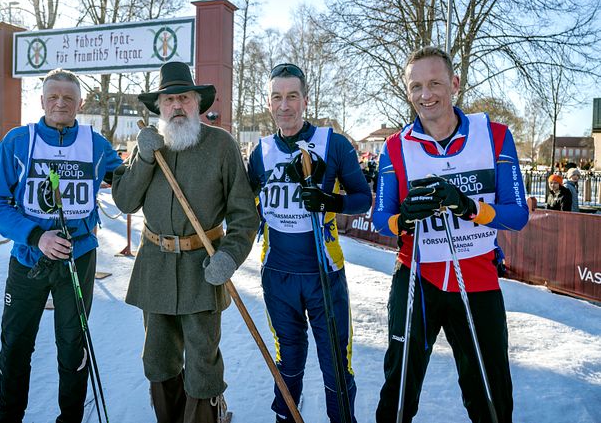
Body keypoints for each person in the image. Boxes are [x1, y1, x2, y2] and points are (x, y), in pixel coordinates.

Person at [372, 46, 529, 423]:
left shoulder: (493, 135)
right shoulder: (395, 147)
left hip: (476, 278)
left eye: (435, 83)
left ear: (455, 84)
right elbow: (381, 216)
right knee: (399, 388)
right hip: (417, 278)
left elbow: (517, 215)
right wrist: (403, 219)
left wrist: (470, 207)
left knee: (490, 395)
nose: (426, 95)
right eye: (416, 86)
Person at [111, 61, 258, 423]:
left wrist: (230, 255)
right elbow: (126, 201)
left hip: (202, 267)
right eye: (169, 100)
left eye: (184, 98)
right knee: (158, 359)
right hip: (155, 267)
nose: (177, 106)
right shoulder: (147, 145)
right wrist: (143, 159)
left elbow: (244, 215)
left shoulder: (221, 145)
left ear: (198, 103)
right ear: (159, 106)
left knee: (202, 362)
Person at [0, 68, 122, 423]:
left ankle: (70, 418)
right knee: (15, 343)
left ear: (80, 102)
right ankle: (9, 416)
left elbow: (128, 182)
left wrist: (151, 158)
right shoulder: (17, 141)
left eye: (69, 98)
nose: (61, 103)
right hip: (30, 258)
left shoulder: (96, 144)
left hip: (79, 257)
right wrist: (35, 236)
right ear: (42, 100)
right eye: (54, 97)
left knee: (74, 345)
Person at [246, 63, 372, 423]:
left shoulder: (333, 143)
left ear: (305, 99)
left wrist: (332, 202)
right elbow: (243, 206)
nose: (284, 105)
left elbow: (363, 197)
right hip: (278, 275)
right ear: (269, 103)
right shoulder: (261, 151)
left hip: (324, 275)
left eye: (292, 97)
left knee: (336, 365)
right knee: (289, 361)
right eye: (277, 97)